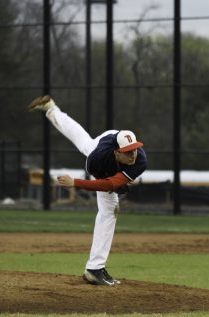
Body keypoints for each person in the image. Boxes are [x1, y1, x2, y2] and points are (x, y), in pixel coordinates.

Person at [28, 95, 147, 286]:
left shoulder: (139, 159)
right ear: (117, 152)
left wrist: (118, 181)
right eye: (128, 152)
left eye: (134, 149)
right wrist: (76, 182)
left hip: (115, 140)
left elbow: (114, 181)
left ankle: (51, 109)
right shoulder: (96, 158)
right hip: (102, 149)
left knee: (82, 140)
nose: (133, 154)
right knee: (110, 209)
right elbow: (106, 185)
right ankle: (94, 269)